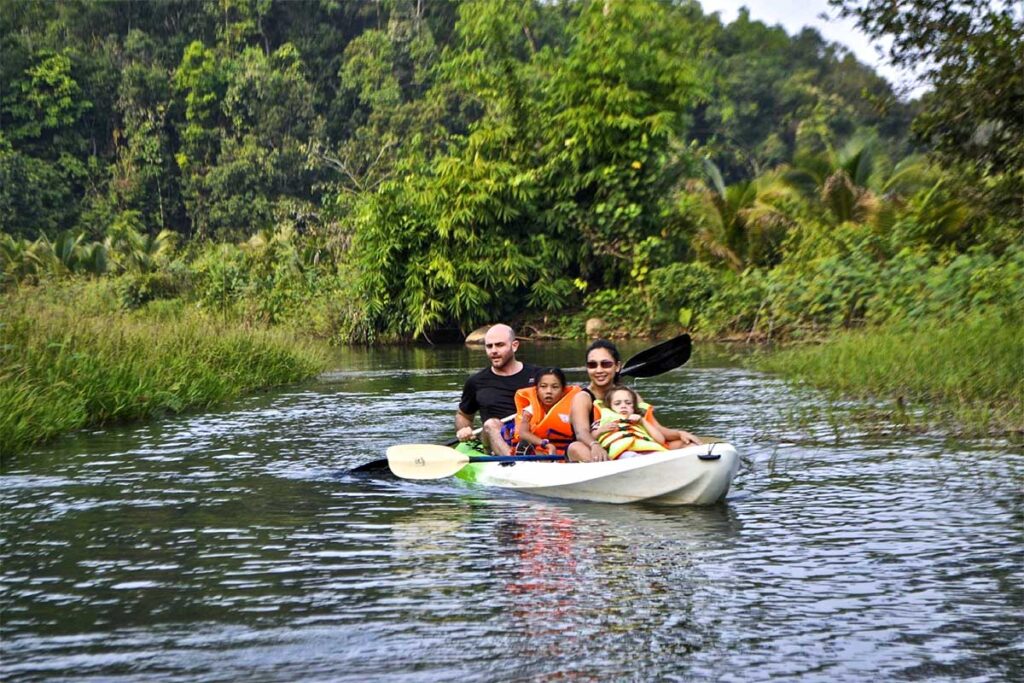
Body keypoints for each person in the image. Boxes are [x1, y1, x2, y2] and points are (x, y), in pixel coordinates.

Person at [566, 339, 700, 463]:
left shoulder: (630, 396)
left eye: (606, 364)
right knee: (575, 447)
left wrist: (680, 434)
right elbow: (581, 432)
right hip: (602, 450)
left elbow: (655, 428)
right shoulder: (583, 398)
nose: (599, 370)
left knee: (688, 445)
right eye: (592, 365)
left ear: (617, 366)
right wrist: (595, 445)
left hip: (635, 446)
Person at [456, 324, 538, 455]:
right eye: (489, 346)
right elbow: (463, 415)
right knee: (491, 424)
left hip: (530, 436)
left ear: (514, 346)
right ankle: (515, 462)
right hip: (494, 440)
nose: (493, 351)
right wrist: (464, 430)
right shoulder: (476, 382)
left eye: (500, 345)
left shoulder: (538, 376)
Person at [513, 367, 580, 456]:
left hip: (568, 451)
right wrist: (545, 444)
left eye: (555, 387)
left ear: (563, 390)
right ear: (536, 390)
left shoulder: (575, 408)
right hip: (540, 449)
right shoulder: (530, 410)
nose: (549, 391)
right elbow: (523, 433)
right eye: (543, 386)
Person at [592, 385, 667, 459]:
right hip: (623, 452)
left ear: (633, 407)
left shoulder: (640, 420)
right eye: (617, 403)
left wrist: (642, 421)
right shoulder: (603, 420)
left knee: (660, 455)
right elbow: (590, 437)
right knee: (630, 456)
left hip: (647, 449)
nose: (623, 406)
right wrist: (601, 430)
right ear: (610, 406)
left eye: (628, 403)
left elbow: (661, 440)